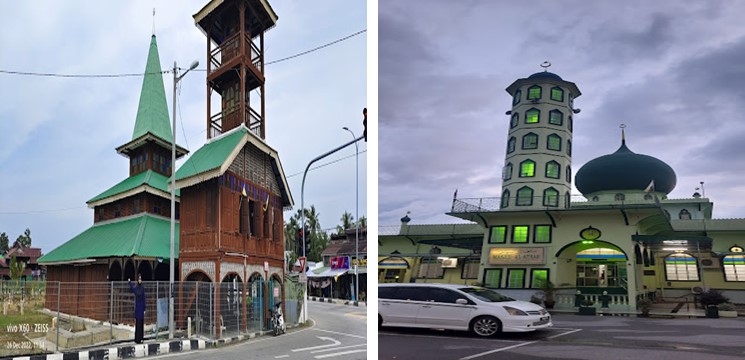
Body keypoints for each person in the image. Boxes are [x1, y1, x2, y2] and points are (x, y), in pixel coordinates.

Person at [129, 275, 146, 344]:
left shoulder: (142, 288)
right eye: (139, 279)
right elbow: (132, 289)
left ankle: (140, 338)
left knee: (141, 324)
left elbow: (144, 299)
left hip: (141, 308)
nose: (139, 280)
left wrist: (144, 308)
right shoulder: (138, 288)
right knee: (138, 324)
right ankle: (138, 339)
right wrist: (130, 282)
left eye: (140, 279)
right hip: (138, 308)